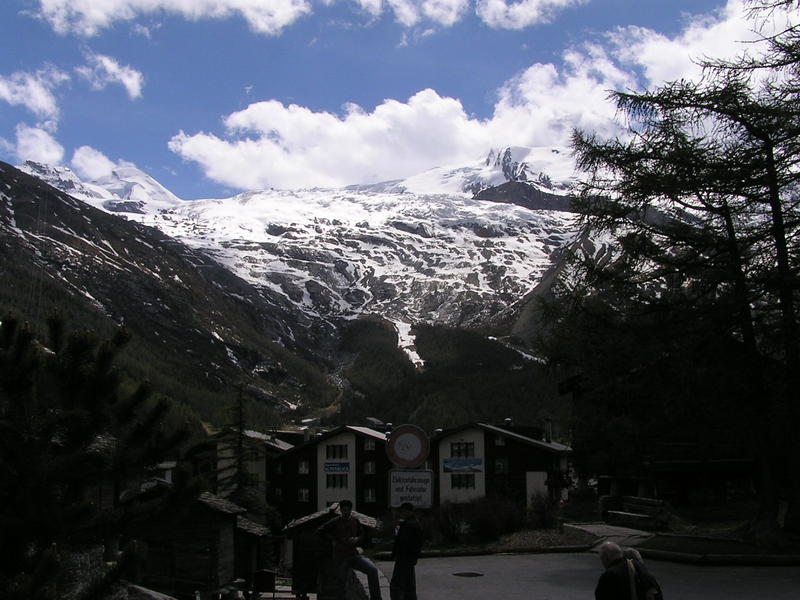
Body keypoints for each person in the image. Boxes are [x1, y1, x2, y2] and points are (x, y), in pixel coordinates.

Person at [317, 499, 383, 600]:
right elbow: (320, 531)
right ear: (341, 510)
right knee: (341, 583)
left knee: (372, 570)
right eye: (344, 510)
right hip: (341, 557)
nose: (346, 512)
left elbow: (362, 534)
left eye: (348, 510)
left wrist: (357, 539)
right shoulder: (335, 522)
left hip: (353, 555)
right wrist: (333, 540)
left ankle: (376, 598)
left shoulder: (355, 520)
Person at [390, 502, 423, 600]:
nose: (401, 514)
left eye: (402, 511)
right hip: (409, 558)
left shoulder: (408, 525)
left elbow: (403, 543)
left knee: (397, 584)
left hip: (404, 558)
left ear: (407, 511)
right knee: (409, 585)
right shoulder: (413, 523)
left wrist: (395, 554)